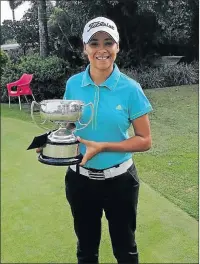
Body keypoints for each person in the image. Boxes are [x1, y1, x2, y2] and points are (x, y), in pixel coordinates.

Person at [39, 16, 153, 264]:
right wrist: (50, 141)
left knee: (125, 250)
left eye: (108, 42)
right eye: (94, 43)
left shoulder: (131, 89)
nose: (101, 49)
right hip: (80, 181)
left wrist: (103, 147)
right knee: (86, 250)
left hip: (121, 182)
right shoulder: (73, 84)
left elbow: (144, 140)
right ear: (85, 48)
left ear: (117, 47)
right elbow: (69, 123)